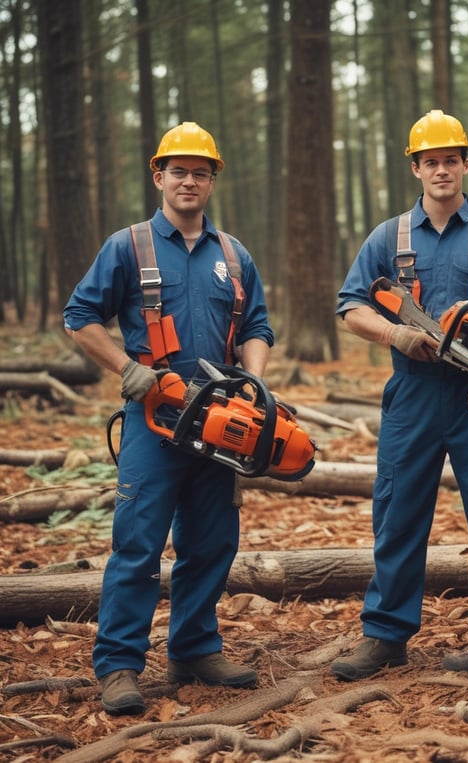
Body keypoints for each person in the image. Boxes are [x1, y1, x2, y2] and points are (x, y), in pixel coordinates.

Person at [332, 109, 468, 684]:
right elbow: (351, 306)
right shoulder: (389, 238)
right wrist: (396, 332)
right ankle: (385, 634)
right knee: (398, 514)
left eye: (451, 160)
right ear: (416, 168)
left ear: (465, 164)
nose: (442, 170)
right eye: (431, 161)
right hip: (413, 393)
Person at [63, 122, 274, 715]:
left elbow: (256, 328)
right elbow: (80, 316)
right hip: (153, 423)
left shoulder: (233, 255)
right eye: (178, 171)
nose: (188, 181)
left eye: (199, 172)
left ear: (212, 180)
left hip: (222, 422)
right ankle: (120, 665)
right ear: (159, 176)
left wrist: (253, 379)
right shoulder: (128, 246)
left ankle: (194, 647)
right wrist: (125, 369)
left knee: (211, 542)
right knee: (137, 544)